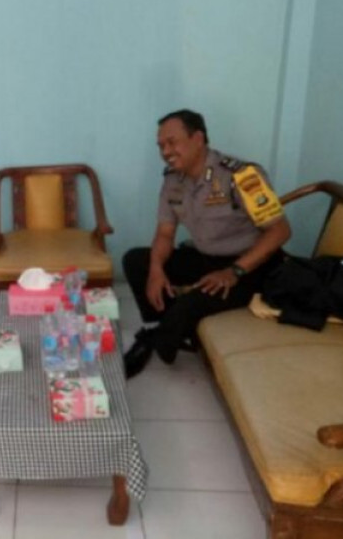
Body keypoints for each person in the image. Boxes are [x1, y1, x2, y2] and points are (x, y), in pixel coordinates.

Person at [123, 109, 291, 378]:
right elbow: (165, 233)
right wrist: (156, 270)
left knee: (188, 305)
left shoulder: (241, 176)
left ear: (198, 139)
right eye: (161, 145)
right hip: (207, 258)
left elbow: (280, 231)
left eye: (172, 142)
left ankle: (161, 336)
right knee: (136, 260)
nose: (166, 151)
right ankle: (166, 326)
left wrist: (234, 271)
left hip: (251, 266)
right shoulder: (173, 180)